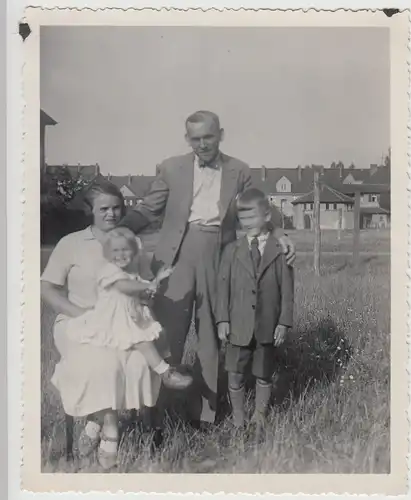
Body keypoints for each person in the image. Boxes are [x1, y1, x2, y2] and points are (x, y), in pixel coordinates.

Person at [120, 110, 296, 425]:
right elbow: (147, 210)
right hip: (175, 257)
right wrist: (115, 232)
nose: (202, 144)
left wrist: (280, 234)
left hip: (221, 257)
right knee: (165, 333)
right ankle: (156, 413)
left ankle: (206, 415)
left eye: (209, 137)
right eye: (195, 138)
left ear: (221, 135)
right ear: (188, 139)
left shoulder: (239, 170)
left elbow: (260, 208)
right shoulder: (171, 168)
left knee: (212, 337)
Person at [41, 180, 163, 470]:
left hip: (121, 324)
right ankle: (111, 428)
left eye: (117, 208)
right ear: (90, 210)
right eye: (104, 208)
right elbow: (47, 288)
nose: (111, 214)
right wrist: (78, 312)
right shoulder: (71, 244)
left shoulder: (133, 243)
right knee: (102, 364)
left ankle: (94, 420)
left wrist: (146, 303)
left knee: (138, 363)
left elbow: (142, 286)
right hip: (76, 322)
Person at [65, 226, 193, 390]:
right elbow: (124, 287)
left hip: (130, 315)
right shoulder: (108, 271)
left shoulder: (131, 273)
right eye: (116, 251)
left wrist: (155, 284)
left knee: (160, 334)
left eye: (125, 250)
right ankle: (165, 373)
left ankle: (170, 366)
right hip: (112, 319)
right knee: (142, 341)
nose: (121, 255)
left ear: (133, 252)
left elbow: (140, 293)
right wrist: (150, 284)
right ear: (108, 254)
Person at [216, 188, 294, 429]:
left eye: (253, 217)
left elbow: (288, 290)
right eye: (243, 218)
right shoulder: (231, 251)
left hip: (267, 324)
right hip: (238, 323)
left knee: (263, 371)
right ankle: (238, 414)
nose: (247, 223)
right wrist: (222, 320)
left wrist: (283, 322)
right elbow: (223, 288)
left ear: (267, 216)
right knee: (235, 372)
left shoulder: (279, 251)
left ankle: (260, 414)